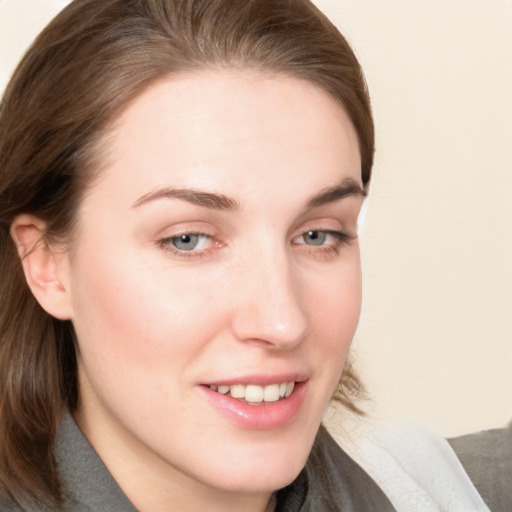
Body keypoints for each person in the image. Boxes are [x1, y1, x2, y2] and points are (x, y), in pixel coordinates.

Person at [0, 0, 494, 510]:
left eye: (319, 235)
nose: (283, 322)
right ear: (46, 263)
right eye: (187, 239)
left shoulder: (440, 489)